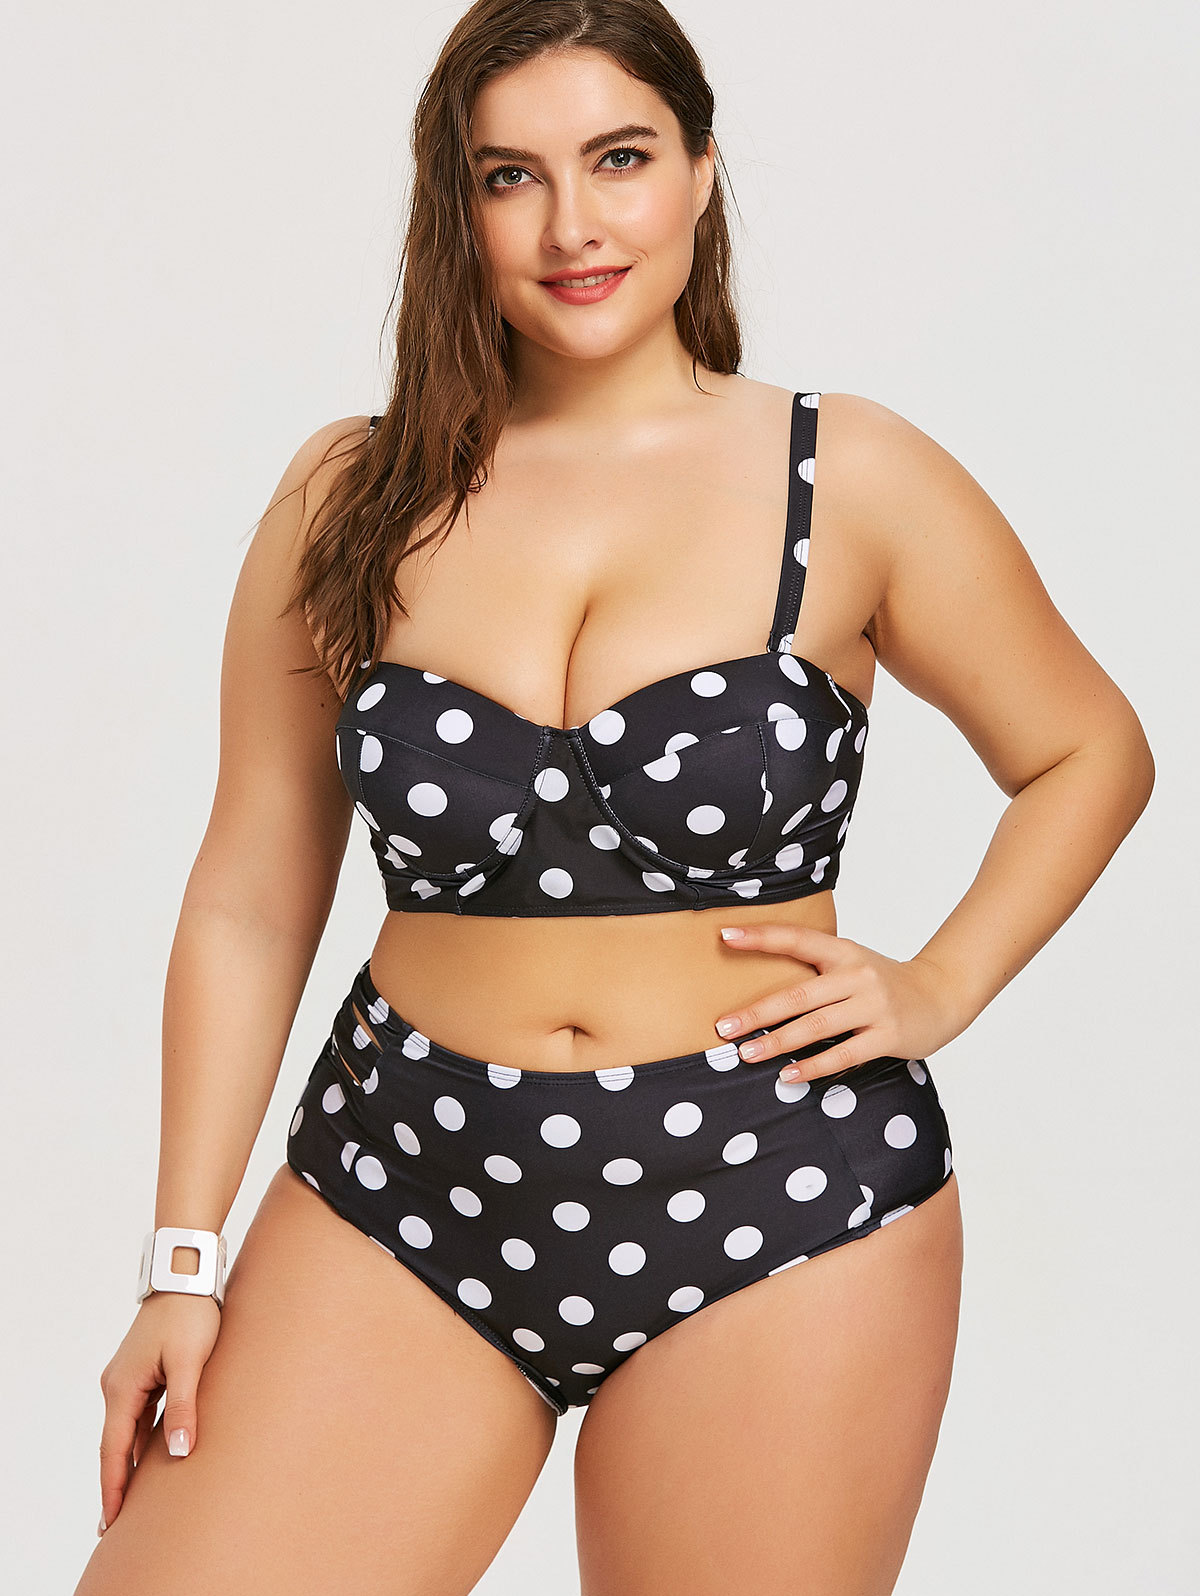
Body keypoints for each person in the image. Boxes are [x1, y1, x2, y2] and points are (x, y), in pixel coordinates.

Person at [75, 2, 1155, 1592]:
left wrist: (940, 983)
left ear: (702, 171)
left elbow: (1088, 749)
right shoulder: (349, 496)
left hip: (781, 1192)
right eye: (512, 175)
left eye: (621, 159)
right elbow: (250, 894)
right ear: (457, 206)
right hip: (406, 1179)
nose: (573, 224)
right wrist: (182, 1260)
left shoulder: (848, 475)